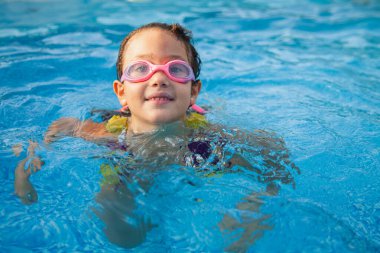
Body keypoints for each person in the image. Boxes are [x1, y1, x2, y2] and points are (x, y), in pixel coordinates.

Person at [14, 22, 299, 251]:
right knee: (122, 235)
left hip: (190, 143)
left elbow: (273, 151)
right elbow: (60, 128)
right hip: (130, 153)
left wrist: (258, 201)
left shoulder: (209, 140)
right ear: (121, 91)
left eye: (176, 69)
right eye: (141, 69)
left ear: (193, 90)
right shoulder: (107, 134)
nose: (159, 78)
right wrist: (30, 159)